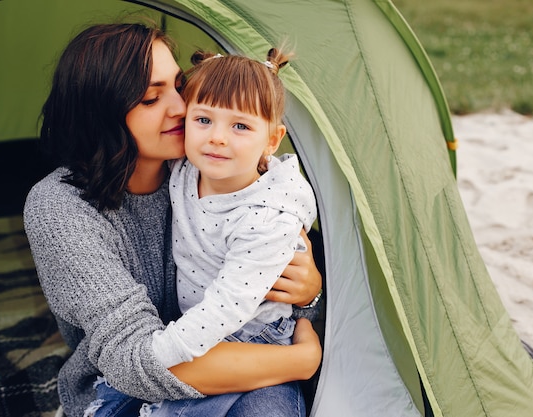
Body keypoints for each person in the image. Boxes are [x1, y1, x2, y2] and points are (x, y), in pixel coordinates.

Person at [23, 22, 323, 417]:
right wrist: (302, 360)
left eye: (179, 85)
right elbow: (134, 363)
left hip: (244, 355)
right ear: (102, 114)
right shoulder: (60, 208)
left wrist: (308, 294)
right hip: (127, 387)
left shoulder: (214, 167)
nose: (183, 108)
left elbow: (274, 258)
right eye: (151, 98)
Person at [130, 48, 318, 417]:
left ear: (272, 140)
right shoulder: (185, 167)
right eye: (203, 120)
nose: (216, 138)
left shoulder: (266, 217)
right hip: (200, 327)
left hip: (254, 334)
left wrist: (162, 351)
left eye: (240, 126)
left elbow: (230, 304)